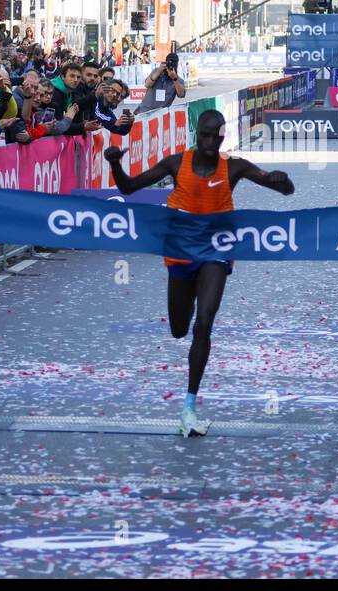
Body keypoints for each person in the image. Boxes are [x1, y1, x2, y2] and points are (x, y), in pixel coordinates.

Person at [103, 110, 294, 437]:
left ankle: (189, 406)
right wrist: (115, 165)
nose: (208, 142)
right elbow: (131, 188)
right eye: (203, 136)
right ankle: (187, 339)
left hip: (215, 253)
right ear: (196, 135)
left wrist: (281, 179)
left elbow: (284, 190)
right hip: (180, 254)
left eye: (214, 137)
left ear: (222, 137)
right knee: (180, 329)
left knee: (204, 322)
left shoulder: (234, 166)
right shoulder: (176, 163)